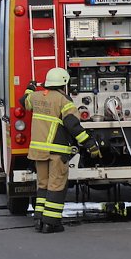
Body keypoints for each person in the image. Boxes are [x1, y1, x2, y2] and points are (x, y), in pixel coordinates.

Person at [20, 67, 100, 233]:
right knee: (56, 186)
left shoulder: (36, 96)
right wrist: (90, 144)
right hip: (56, 152)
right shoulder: (64, 101)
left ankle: (39, 220)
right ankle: (51, 223)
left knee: (43, 185)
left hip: (37, 152)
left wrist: (30, 87)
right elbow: (73, 125)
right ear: (64, 83)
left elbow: (24, 101)